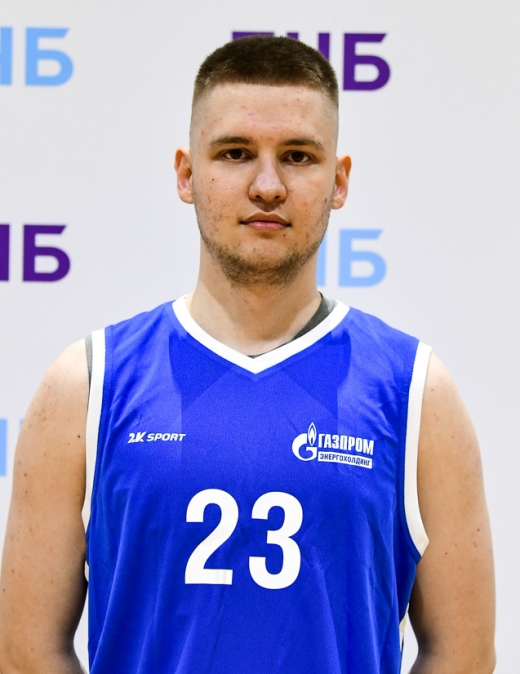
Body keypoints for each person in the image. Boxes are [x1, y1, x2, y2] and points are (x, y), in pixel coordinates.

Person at [0, 35, 495, 674]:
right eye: (235, 153)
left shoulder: (415, 390)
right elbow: (26, 652)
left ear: (339, 180)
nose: (267, 185)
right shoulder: (88, 385)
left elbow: (463, 655)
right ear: (186, 174)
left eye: (298, 156)